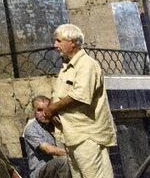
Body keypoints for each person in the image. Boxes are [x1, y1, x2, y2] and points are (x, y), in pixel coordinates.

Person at [43, 24, 116, 178]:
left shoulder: (86, 64)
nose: (55, 45)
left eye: (59, 41)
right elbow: (60, 94)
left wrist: (52, 109)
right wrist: (52, 109)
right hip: (72, 134)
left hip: (87, 136)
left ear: (73, 42)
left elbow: (80, 96)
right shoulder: (67, 67)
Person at [23, 95, 69, 178]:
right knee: (64, 161)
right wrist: (73, 154)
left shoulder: (56, 125)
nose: (44, 113)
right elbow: (48, 149)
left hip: (58, 168)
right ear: (34, 111)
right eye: (39, 110)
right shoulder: (31, 128)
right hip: (41, 171)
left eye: (47, 109)